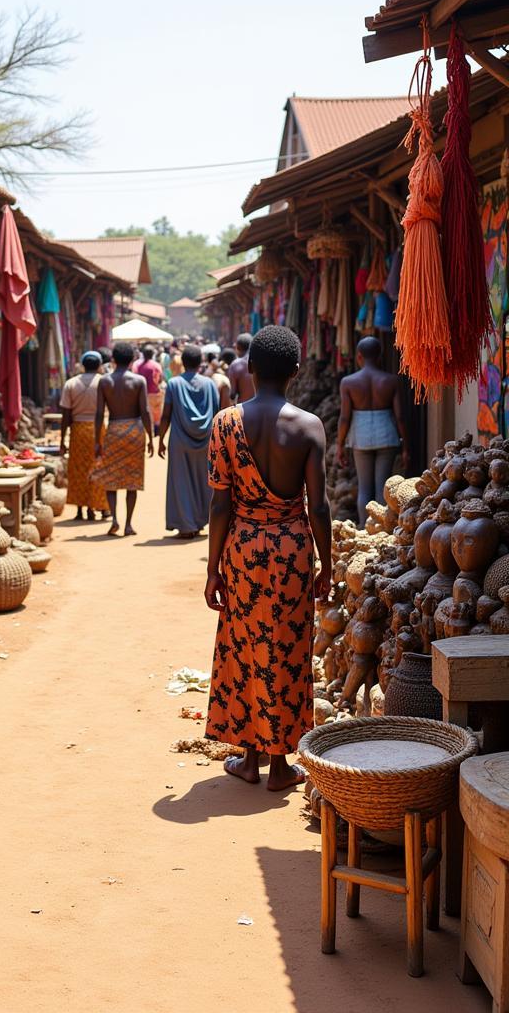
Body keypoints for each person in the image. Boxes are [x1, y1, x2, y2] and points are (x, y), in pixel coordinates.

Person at [204, 326, 331, 791]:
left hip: (243, 550)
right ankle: (281, 765)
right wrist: (328, 564)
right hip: (293, 548)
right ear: (296, 371)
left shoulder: (225, 423)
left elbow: (220, 505)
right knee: (288, 648)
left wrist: (214, 567)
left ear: (249, 368)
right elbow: (318, 505)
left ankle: (249, 756)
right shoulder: (309, 425)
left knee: (245, 646)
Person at [336, 336, 409, 527]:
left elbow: (344, 417)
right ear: (379, 356)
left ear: (359, 357)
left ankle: (364, 528)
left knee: (364, 488)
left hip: (360, 435)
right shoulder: (391, 381)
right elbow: (400, 416)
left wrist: (340, 445)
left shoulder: (348, 382)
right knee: (382, 487)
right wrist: (406, 447)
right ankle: (382, 528)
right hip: (387, 434)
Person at [92, 340, 154, 536]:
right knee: (132, 479)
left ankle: (115, 520)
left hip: (114, 431)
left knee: (111, 478)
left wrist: (97, 440)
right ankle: (128, 524)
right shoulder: (138, 381)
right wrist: (151, 437)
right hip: (134, 431)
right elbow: (144, 410)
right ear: (132, 359)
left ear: (113, 359)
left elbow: (99, 413)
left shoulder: (104, 381)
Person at [159, 343, 219, 539]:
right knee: (204, 482)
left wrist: (160, 439)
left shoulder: (174, 384)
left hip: (180, 441)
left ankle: (187, 525)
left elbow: (166, 414)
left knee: (182, 482)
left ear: (182, 363)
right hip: (207, 440)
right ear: (200, 362)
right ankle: (200, 521)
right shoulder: (210, 384)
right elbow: (218, 413)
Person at [60, 351, 110, 521]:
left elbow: (65, 415)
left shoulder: (70, 384)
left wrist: (62, 440)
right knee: (99, 467)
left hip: (78, 430)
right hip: (98, 429)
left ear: (82, 365)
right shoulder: (104, 382)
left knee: (78, 469)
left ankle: (81, 509)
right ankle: (101, 507)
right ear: (99, 366)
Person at [133, 345, 165, 432]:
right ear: (152, 354)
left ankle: (148, 431)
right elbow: (161, 379)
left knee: (145, 413)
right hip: (155, 393)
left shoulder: (137, 365)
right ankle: (157, 430)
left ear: (143, 354)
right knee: (157, 413)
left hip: (142, 394)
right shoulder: (157, 365)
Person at [227, 333, 255, 403]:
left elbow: (232, 394)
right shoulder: (261, 362)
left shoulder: (235, 365)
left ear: (238, 347)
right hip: (262, 409)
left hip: (243, 409)